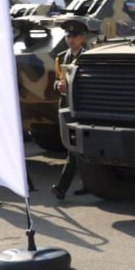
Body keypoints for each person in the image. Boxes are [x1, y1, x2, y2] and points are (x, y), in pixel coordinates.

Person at [51, 19, 89, 200]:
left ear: (82, 38)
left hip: (81, 106)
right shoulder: (60, 57)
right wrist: (57, 86)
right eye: (68, 36)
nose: (70, 39)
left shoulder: (88, 57)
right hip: (65, 105)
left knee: (73, 147)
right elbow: (56, 80)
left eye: (74, 36)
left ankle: (61, 187)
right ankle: (90, 184)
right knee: (74, 146)